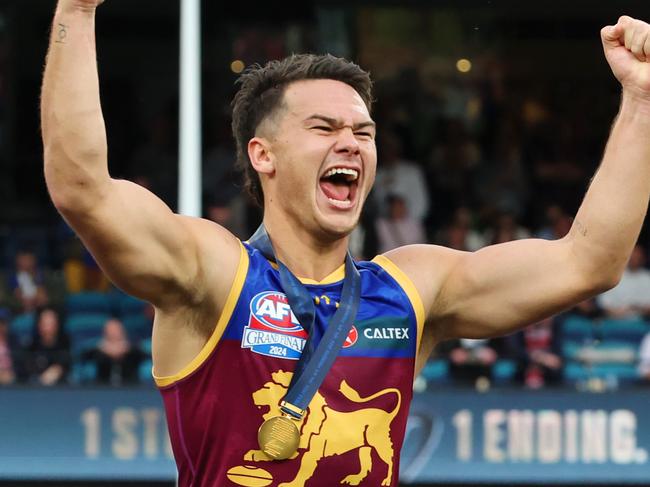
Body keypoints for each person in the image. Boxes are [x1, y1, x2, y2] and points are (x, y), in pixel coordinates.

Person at [40, 2, 650, 485]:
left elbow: (589, 262)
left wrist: (643, 99)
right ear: (264, 154)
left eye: (364, 131)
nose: (352, 143)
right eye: (324, 128)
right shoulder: (216, 275)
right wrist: (78, 9)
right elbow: (83, 189)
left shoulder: (411, 291)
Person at [82, 317, 145, 385]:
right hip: (103, 387)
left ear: (122, 331)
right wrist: (104, 350)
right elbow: (83, 356)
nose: (113, 333)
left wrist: (125, 349)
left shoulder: (132, 349)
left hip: (130, 387)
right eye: (110, 330)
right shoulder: (98, 349)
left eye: (116, 329)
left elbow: (146, 356)